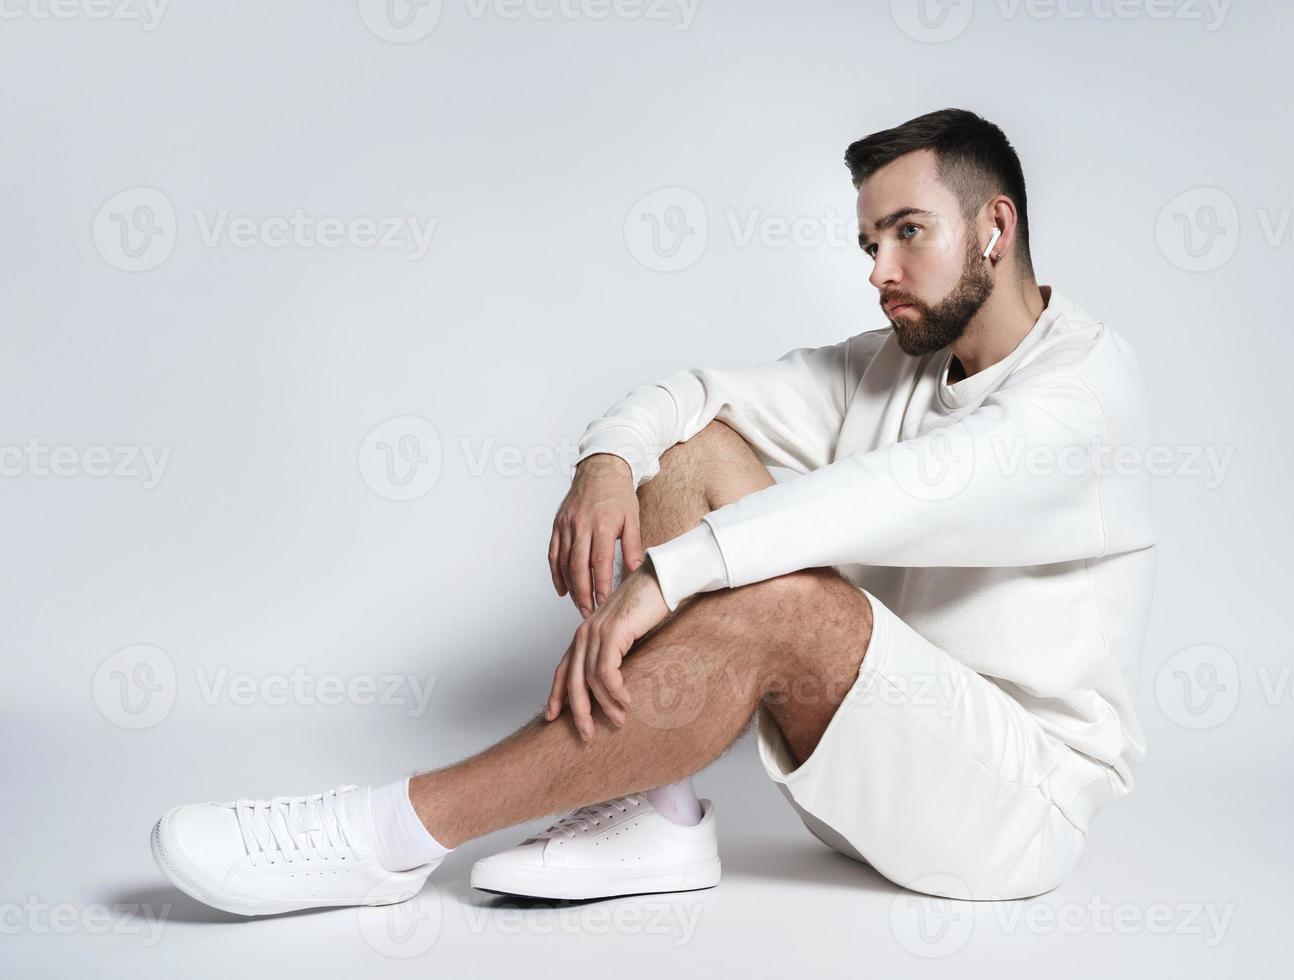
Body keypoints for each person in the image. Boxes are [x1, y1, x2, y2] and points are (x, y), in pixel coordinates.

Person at [149, 107, 1159, 915]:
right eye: (868, 240)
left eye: (908, 232)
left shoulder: (1081, 392)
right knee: (696, 446)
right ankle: (658, 809)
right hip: (866, 769)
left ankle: (391, 833)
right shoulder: (897, 365)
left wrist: (667, 573)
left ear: (995, 225)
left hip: (1007, 807)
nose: (879, 269)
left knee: (792, 603)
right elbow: (694, 390)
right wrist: (604, 461)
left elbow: (894, 496)